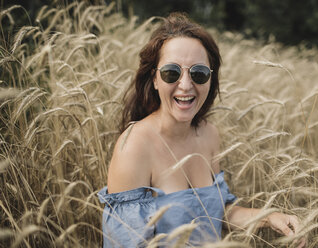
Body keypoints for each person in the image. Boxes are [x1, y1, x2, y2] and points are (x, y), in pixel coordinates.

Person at [98, 13, 306, 248]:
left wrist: (270, 218)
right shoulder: (134, 146)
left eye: (198, 73)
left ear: (210, 80)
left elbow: (218, 212)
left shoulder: (208, 134)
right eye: (171, 73)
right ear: (154, 79)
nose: (186, 85)